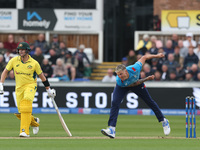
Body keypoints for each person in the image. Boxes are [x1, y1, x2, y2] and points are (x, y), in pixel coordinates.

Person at [101, 53, 170, 138]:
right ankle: (111, 129)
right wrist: (147, 79)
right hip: (125, 86)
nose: (120, 76)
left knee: (149, 101)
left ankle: (164, 121)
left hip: (137, 83)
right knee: (115, 102)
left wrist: (157, 56)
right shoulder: (119, 80)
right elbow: (131, 85)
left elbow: (144, 57)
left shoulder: (135, 68)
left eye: (121, 74)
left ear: (126, 71)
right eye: (118, 74)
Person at [0, 42, 56, 137]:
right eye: (19, 50)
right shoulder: (14, 60)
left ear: (27, 51)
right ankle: (34, 121)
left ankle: (24, 131)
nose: (21, 51)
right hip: (19, 88)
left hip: (30, 86)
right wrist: (1, 84)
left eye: (23, 50)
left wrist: (48, 89)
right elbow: (5, 72)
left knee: (26, 104)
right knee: (21, 113)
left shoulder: (34, 63)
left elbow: (42, 77)